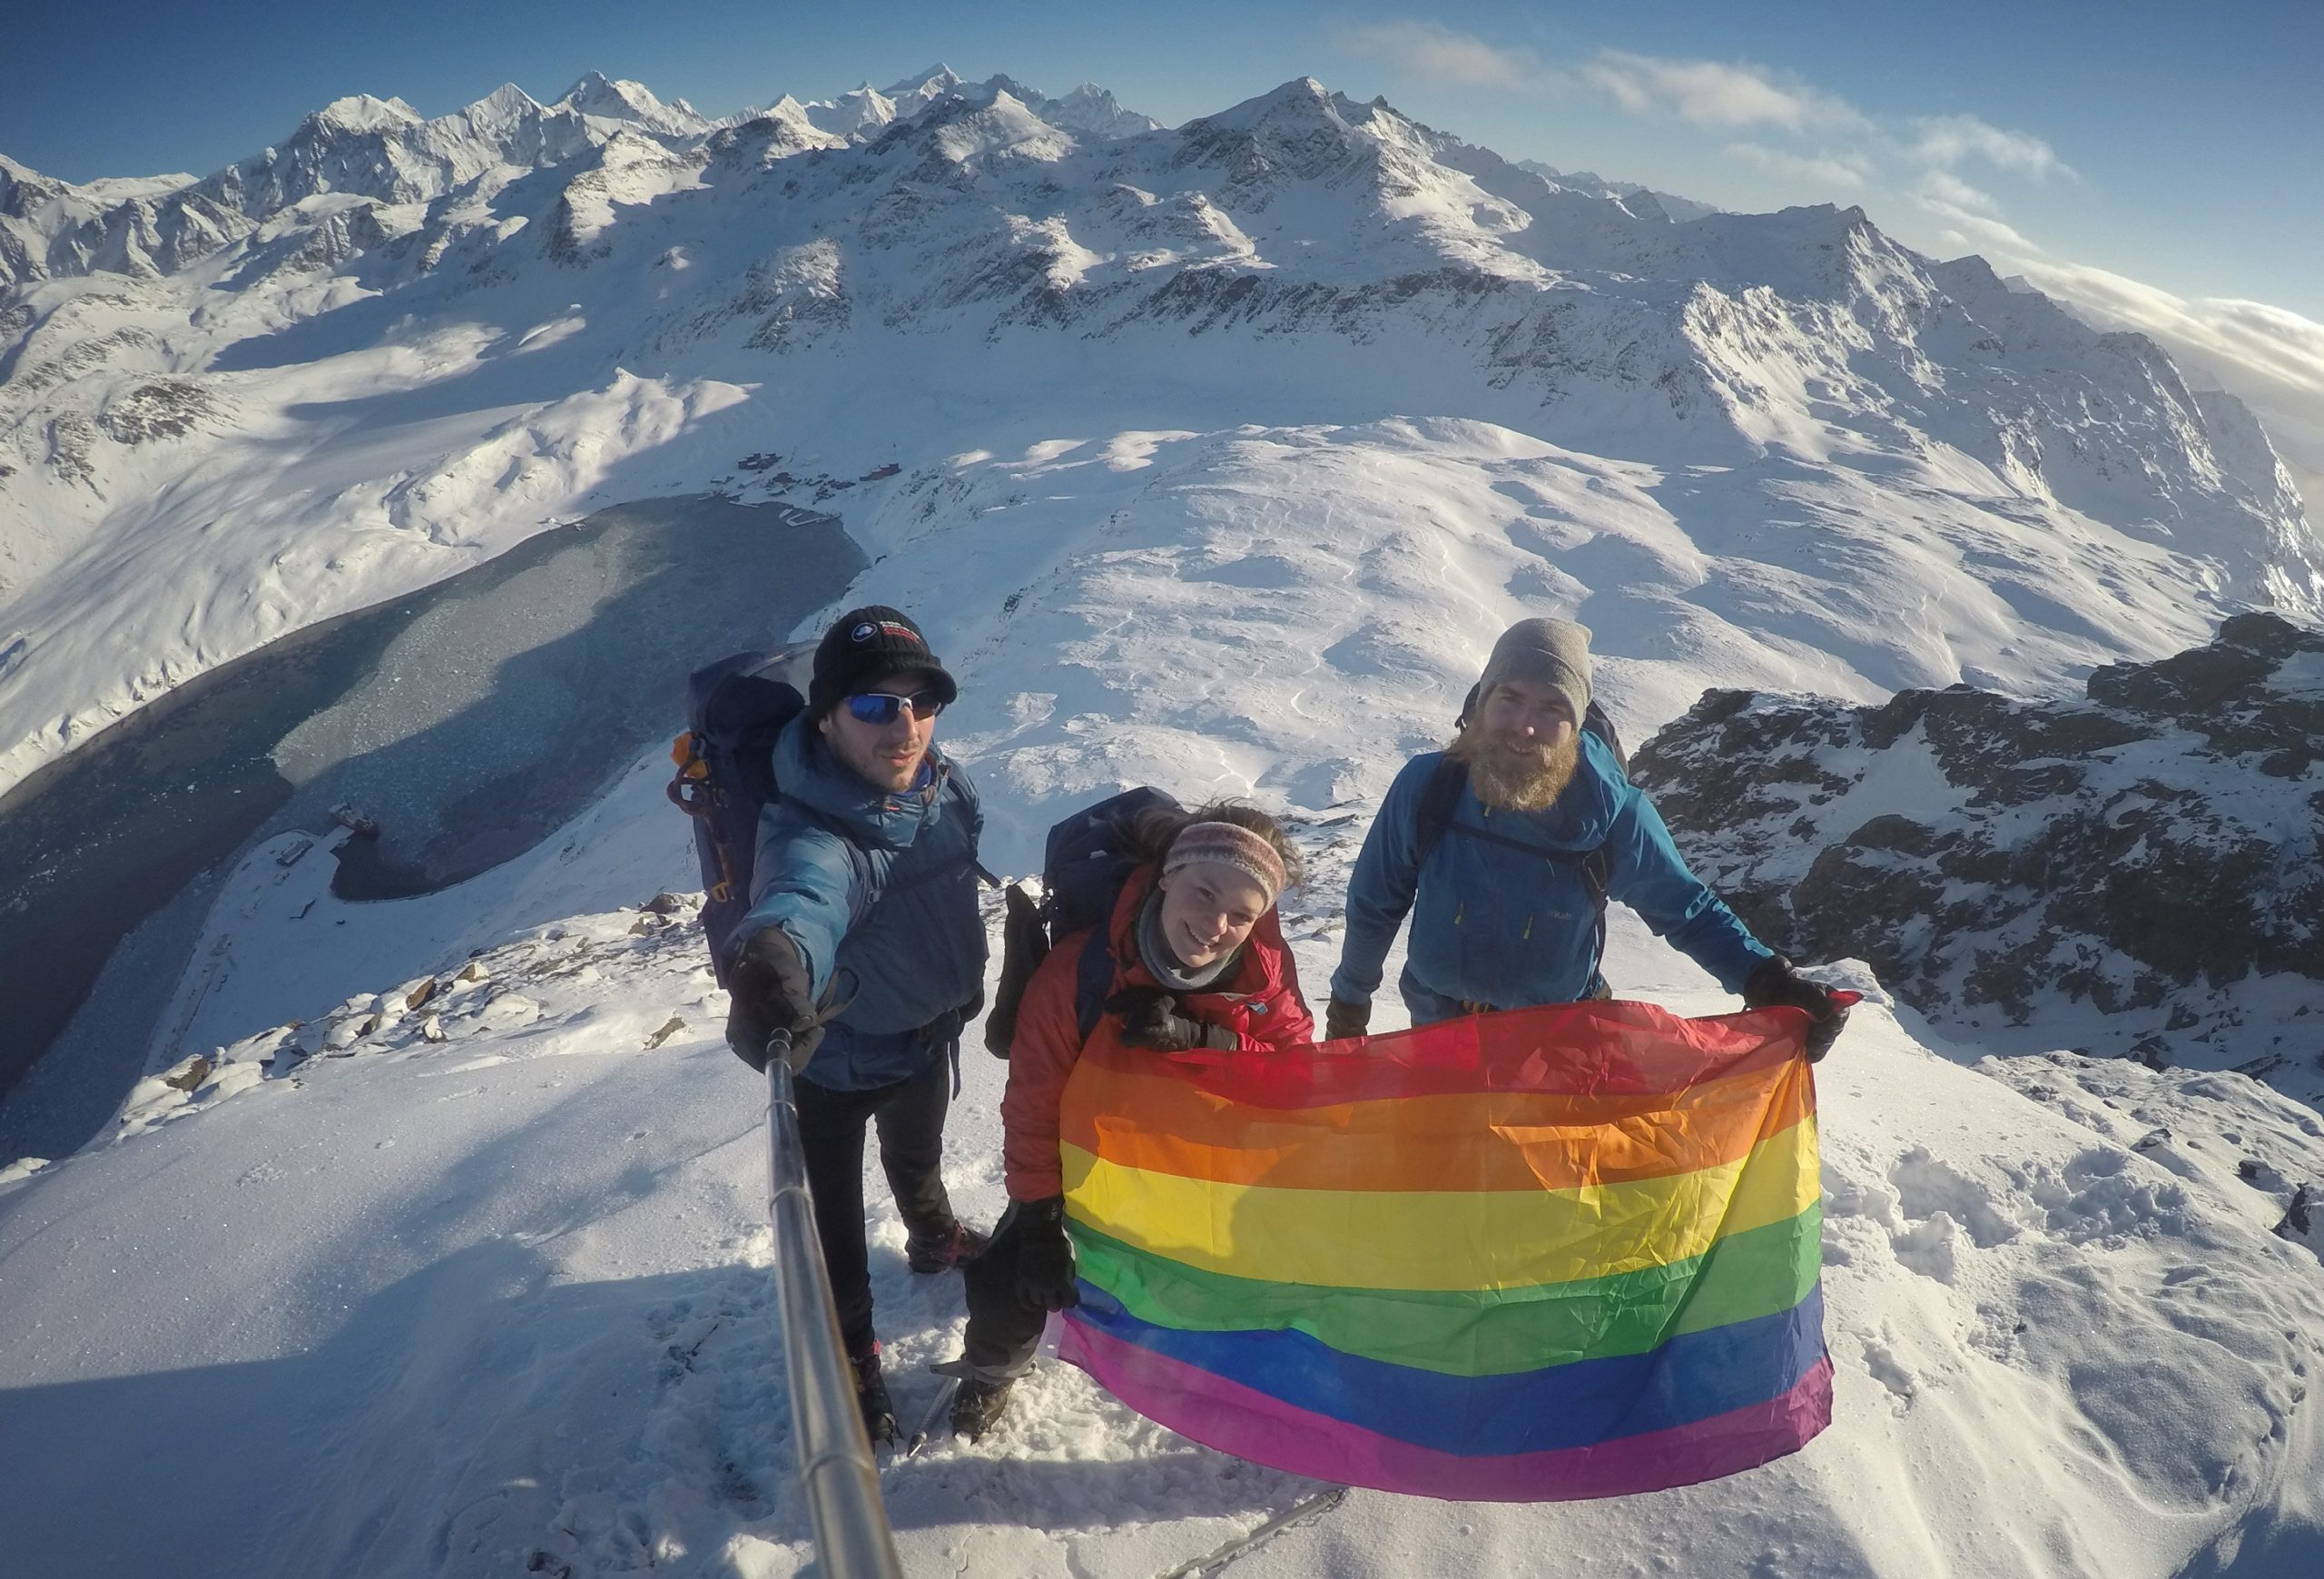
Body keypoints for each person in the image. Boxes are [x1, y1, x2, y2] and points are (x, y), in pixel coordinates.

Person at [945, 803, 1315, 1440]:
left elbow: (1298, 1077)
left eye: (1242, 914)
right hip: (1088, 1169)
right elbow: (1034, 1104)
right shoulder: (1080, 973)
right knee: (1011, 1286)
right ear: (1168, 875)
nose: (1215, 924)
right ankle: (991, 1369)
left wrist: (1208, 1039)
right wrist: (1037, 1221)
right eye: (1205, 891)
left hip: (1193, 1173)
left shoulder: (1262, 982)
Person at [1324, 617, 1848, 1053]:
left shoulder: (1610, 810)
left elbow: (1685, 910)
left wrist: (1768, 981)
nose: (1524, 726)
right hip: (1439, 1034)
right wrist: (1350, 1004)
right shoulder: (1428, 787)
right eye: (1509, 698)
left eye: (1551, 708)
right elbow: (1376, 902)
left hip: (1556, 1046)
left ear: (1575, 724)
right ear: (1480, 703)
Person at [723, 605, 990, 1444]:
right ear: (828, 716)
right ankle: (851, 1355)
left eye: (922, 700)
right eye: (875, 705)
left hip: (922, 1036)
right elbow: (802, 899)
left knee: (919, 1154)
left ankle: (932, 1235)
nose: (904, 724)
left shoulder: (941, 785)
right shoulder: (813, 829)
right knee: (833, 1226)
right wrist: (774, 962)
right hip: (831, 1061)